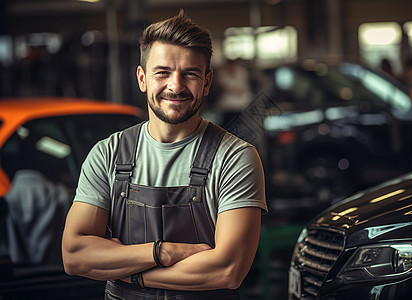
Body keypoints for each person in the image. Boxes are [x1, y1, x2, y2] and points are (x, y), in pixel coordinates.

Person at [61, 9, 267, 300]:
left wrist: (130, 271)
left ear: (207, 82)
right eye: (163, 72)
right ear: (142, 78)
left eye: (190, 74)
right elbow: (75, 255)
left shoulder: (235, 158)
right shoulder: (107, 154)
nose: (176, 86)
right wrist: (163, 251)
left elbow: (228, 270)